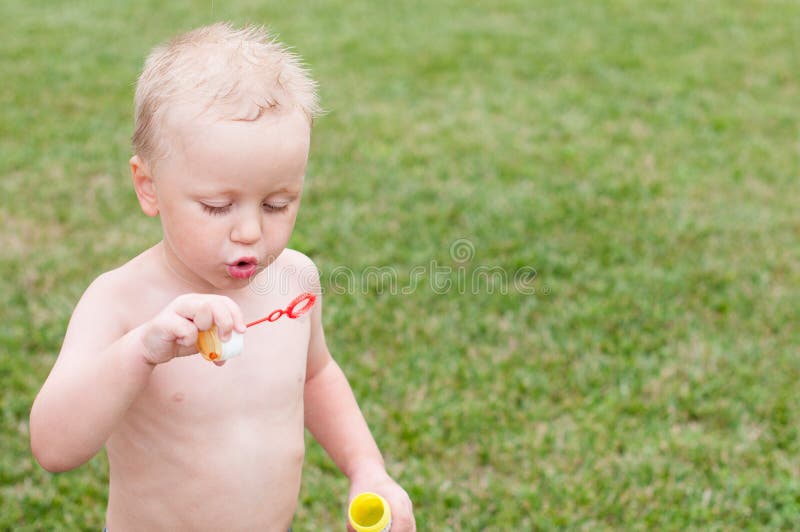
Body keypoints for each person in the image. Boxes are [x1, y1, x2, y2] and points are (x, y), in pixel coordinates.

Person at [29, 22, 415, 531]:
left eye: (278, 203)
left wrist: (368, 469)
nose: (251, 231)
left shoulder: (293, 279)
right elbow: (54, 448)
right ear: (148, 187)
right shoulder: (119, 301)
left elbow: (317, 377)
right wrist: (143, 349)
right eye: (217, 206)